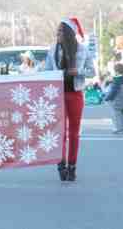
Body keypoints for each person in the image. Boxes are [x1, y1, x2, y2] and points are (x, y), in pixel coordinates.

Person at [44, 17, 95, 181]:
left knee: (74, 133)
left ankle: (72, 166)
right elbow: (45, 72)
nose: (57, 33)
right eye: (57, 31)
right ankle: (61, 165)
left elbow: (92, 72)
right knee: (60, 132)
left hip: (75, 93)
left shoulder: (82, 49)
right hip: (57, 95)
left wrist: (78, 72)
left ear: (68, 33)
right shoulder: (52, 50)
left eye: (60, 31)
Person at [104, 63, 123, 135]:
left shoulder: (117, 79)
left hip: (118, 99)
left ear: (116, 71)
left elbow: (114, 90)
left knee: (117, 114)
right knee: (122, 114)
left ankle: (119, 129)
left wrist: (107, 98)